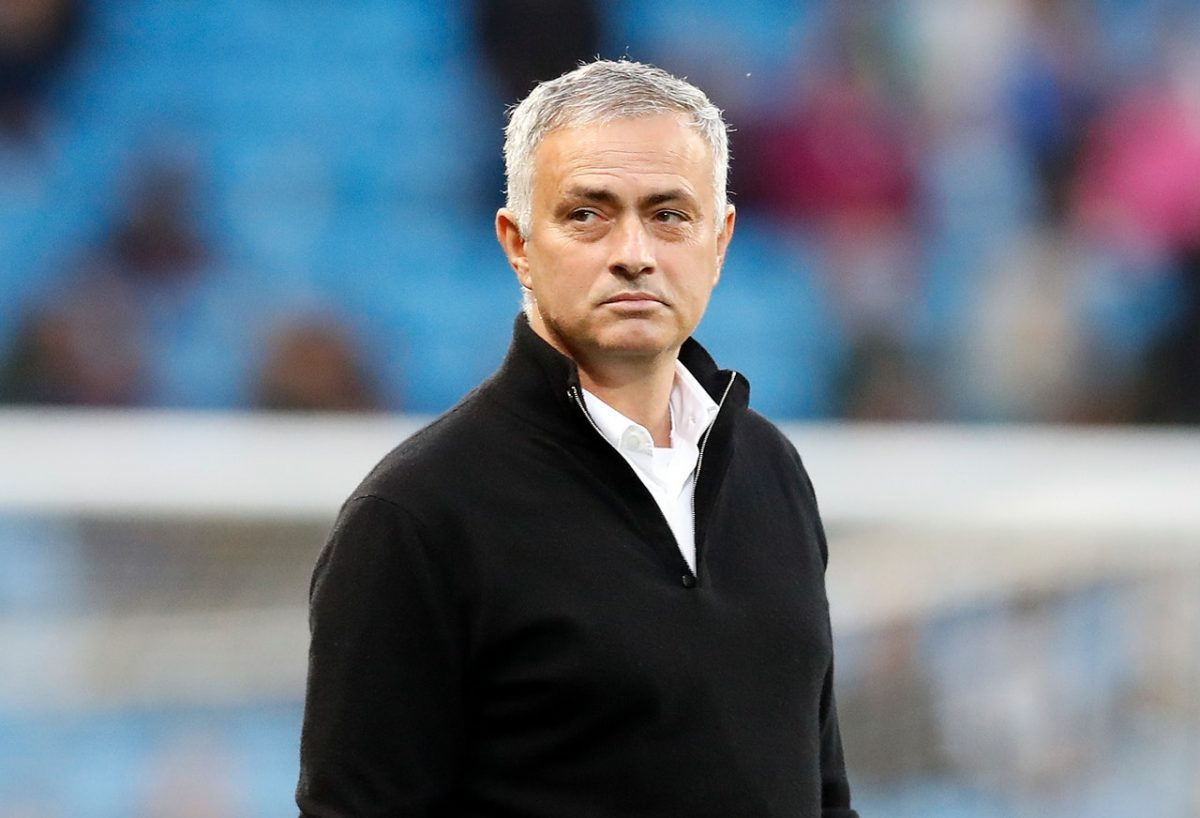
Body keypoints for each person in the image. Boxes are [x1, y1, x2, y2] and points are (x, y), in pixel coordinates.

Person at [296, 59, 859, 818]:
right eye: (589, 214)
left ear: (721, 240)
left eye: (669, 215)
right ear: (518, 244)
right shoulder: (417, 516)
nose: (634, 252)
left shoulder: (771, 470)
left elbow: (823, 794)